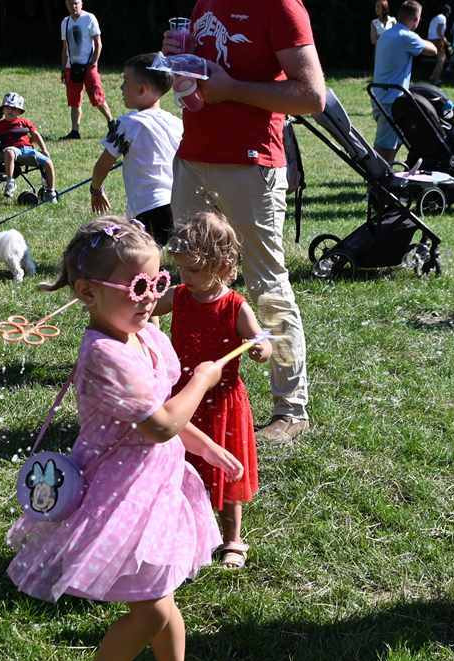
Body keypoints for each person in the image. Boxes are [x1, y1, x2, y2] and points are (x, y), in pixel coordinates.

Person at [7, 218, 244, 661]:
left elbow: (164, 416)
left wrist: (206, 445)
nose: (151, 296)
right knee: (151, 608)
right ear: (88, 293)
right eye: (137, 286)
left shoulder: (147, 336)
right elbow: (159, 424)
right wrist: (200, 380)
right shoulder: (105, 355)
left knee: (160, 594)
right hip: (120, 493)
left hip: (156, 486)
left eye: (157, 282)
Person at [163, 0, 326, 443]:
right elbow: (203, 84)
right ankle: (189, 392)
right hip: (193, 158)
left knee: (266, 284)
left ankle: (291, 409)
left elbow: (312, 97)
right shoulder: (203, 4)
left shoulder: (281, 7)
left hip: (251, 164)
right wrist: (179, 61)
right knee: (191, 277)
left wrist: (231, 88)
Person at [152, 212, 270, 569]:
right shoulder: (181, 295)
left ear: (222, 265)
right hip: (184, 397)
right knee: (182, 468)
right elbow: (146, 309)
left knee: (225, 472)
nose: (184, 277)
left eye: (192, 270)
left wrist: (260, 348)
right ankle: (186, 531)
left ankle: (233, 539)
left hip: (221, 403)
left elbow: (259, 338)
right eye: (181, 270)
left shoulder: (235, 306)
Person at [89, 53, 181, 246]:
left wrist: (96, 189)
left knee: (138, 259)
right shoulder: (176, 123)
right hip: (177, 203)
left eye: (125, 81)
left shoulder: (128, 124)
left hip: (148, 207)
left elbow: (103, 164)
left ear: (141, 89)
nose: (121, 87)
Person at [372, 0, 437, 162]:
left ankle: (384, 171)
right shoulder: (406, 36)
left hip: (380, 94)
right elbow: (433, 50)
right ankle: (376, 176)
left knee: (403, 134)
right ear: (415, 19)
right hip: (391, 99)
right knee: (385, 144)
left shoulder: (387, 34)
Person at [58, 0, 114, 141]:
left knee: (97, 97)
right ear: (66, 4)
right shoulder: (65, 22)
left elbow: (98, 43)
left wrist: (93, 63)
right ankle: (75, 131)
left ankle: (112, 123)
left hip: (89, 65)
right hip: (72, 67)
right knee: (74, 100)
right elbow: (65, 48)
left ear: (81, 3)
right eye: (70, 3)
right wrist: (64, 68)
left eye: (76, 3)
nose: (74, 6)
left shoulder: (89, 18)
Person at [0, 92, 57, 202]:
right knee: (9, 152)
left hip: (28, 150)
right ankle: (10, 182)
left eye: (14, 108)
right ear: (3, 109)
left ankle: (50, 191)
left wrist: (44, 150)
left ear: (19, 111)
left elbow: (36, 135)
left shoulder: (24, 122)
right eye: (8, 108)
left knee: (48, 162)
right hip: (13, 149)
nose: (10, 110)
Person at [427, 3, 451, 85]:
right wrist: (445, 40)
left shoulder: (436, 17)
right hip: (437, 40)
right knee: (441, 60)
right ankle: (436, 79)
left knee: (439, 60)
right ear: (447, 12)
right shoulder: (443, 18)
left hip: (431, 39)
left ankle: (432, 76)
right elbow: (439, 31)